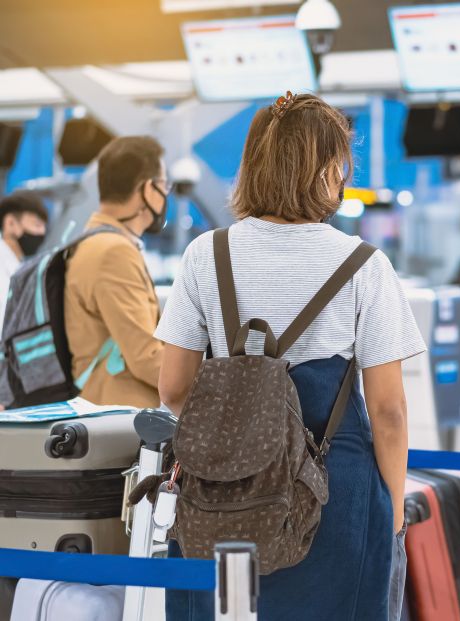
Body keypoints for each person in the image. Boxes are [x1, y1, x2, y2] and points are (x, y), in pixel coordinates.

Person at [155, 93, 425, 620]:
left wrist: (238, 436)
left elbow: (173, 388)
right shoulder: (364, 265)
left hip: (223, 491)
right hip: (334, 493)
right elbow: (389, 409)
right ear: (327, 171)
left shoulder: (205, 256)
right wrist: (391, 519)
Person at [64, 136, 169, 408]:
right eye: (164, 185)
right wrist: (219, 385)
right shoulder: (113, 252)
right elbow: (146, 359)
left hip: (101, 406)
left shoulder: (92, 243)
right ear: (148, 189)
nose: (166, 195)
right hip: (120, 416)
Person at [0, 190, 48, 327]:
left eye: (44, 227)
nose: (42, 232)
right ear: (10, 223)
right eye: (37, 224)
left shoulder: (17, 265)